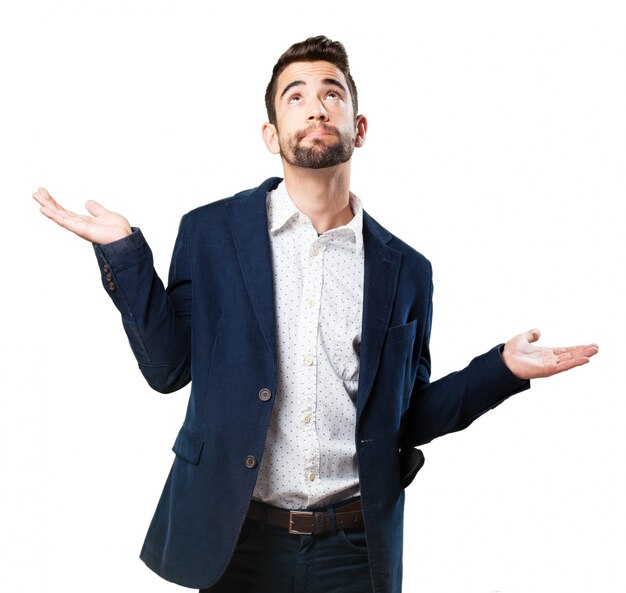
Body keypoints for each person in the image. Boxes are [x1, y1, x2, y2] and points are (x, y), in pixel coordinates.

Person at [32, 36, 598, 593]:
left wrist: (502, 369)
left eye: (332, 93)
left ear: (359, 127)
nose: (316, 106)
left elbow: (409, 416)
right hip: (236, 540)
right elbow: (168, 369)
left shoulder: (407, 270)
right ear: (271, 134)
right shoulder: (209, 233)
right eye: (295, 96)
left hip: (351, 549)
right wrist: (125, 254)